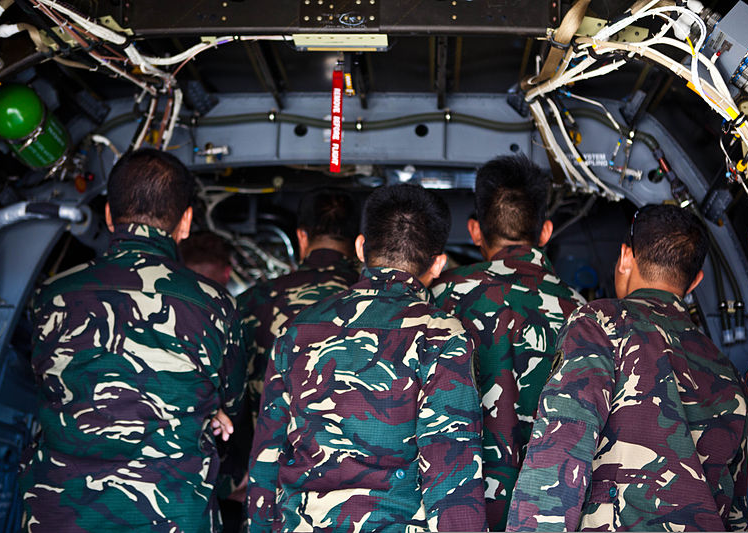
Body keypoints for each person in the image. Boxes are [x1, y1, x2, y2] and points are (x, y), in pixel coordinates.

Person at [19, 148, 246, 532]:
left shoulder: (52, 295)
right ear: (186, 222)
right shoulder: (216, 305)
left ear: (108, 215)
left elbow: (43, 381)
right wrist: (214, 411)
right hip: (172, 513)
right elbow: (232, 401)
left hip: (59, 511)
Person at [247, 184, 487, 532]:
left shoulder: (297, 329)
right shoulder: (441, 335)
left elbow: (267, 455)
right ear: (438, 264)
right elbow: (452, 467)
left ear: (361, 247)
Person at [507, 204, 748, 532]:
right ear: (695, 281)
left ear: (626, 256)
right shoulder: (728, 373)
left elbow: (561, 446)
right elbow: (736, 510)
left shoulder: (601, 324)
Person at [431, 154, 585, 529]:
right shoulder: (582, 313)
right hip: (548, 511)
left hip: (455, 508)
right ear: (545, 231)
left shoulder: (439, 297)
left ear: (475, 231)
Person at [237, 187, 360, 427]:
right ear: (359, 243)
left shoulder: (254, 300)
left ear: (302, 237)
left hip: (267, 453)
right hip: (348, 457)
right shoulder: (377, 301)